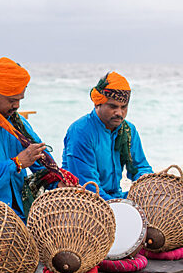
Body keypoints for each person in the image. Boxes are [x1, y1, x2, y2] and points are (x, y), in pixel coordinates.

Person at [0, 57, 76, 221]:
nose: (17, 105)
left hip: (23, 212)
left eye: (19, 99)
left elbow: (42, 164)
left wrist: (58, 183)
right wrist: (16, 164)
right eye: (12, 100)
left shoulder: (19, 124)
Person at [62, 71, 153, 200]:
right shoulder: (81, 131)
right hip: (81, 201)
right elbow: (87, 185)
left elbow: (141, 167)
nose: (119, 113)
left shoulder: (128, 130)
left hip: (114, 197)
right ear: (97, 103)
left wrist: (146, 180)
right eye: (113, 106)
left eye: (124, 107)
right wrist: (119, 205)